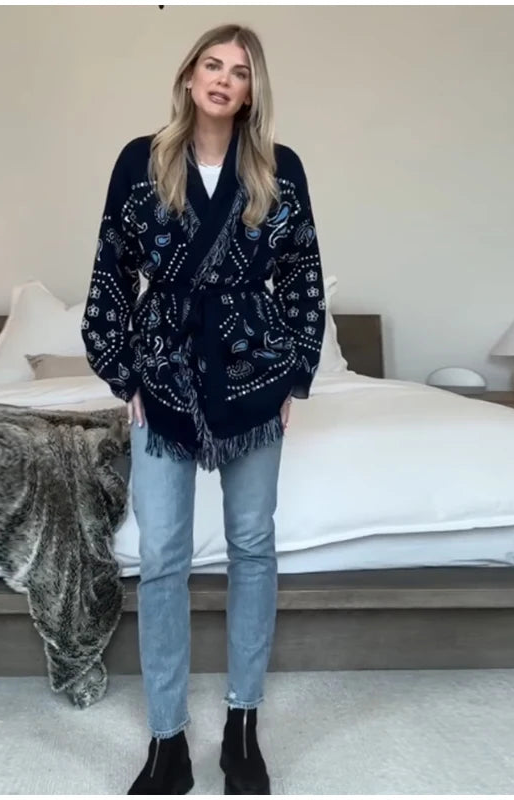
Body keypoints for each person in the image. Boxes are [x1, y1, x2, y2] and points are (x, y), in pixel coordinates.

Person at [82, 23, 325, 795]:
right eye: (212, 65)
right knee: (162, 557)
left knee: (252, 545)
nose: (224, 79)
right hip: (163, 376)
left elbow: (303, 276)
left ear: (253, 91)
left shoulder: (279, 168)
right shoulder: (142, 160)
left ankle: (243, 724)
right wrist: (123, 371)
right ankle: (167, 739)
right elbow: (112, 270)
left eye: (240, 71)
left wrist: (293, 375)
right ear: (189, 76)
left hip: (252, 376)